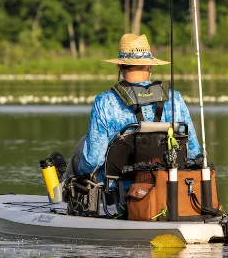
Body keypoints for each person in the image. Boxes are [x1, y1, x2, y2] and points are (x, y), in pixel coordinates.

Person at [73, 33, 201, 179]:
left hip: (120, 193)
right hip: (168, 189)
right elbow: (193, 152)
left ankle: (62, 192)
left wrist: (79, 171)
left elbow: (93, 160)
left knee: (82, 146)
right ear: (149, 66)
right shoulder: (174, 98)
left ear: (120, 66)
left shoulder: (104, 102)